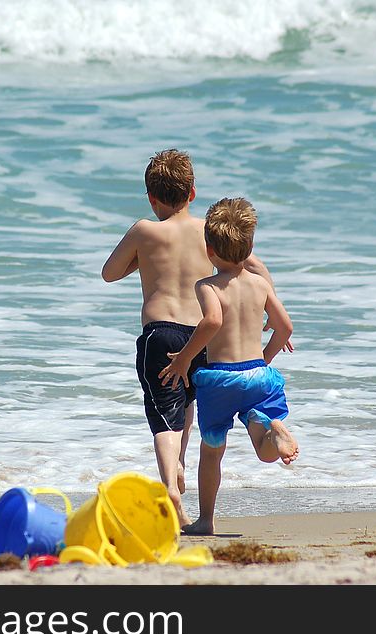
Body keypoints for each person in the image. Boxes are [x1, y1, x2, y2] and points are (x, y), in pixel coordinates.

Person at [101, 149, 288, 528]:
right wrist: (269, 306)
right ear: (193, 192)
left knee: (164, 419)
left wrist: (142, 257)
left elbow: (110, 273)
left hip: (160, 332)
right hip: (201, 338)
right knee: (189, 410)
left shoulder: (145, 230)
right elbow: (254, 266)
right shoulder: (209, 234)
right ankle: (186, 475)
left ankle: (171, 482)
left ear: (151, 197)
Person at [158, 197, 299, 535]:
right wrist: (264, 359)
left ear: (210, 251)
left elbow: (212, 321)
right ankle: (275, 433)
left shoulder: (207, 286)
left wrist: (185, 358)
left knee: (212, 452)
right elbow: (285, 328)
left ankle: (206, 520)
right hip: (257, 375)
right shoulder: (261, 284)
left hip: (220, 379)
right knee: (263, 448)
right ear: (249, 245)